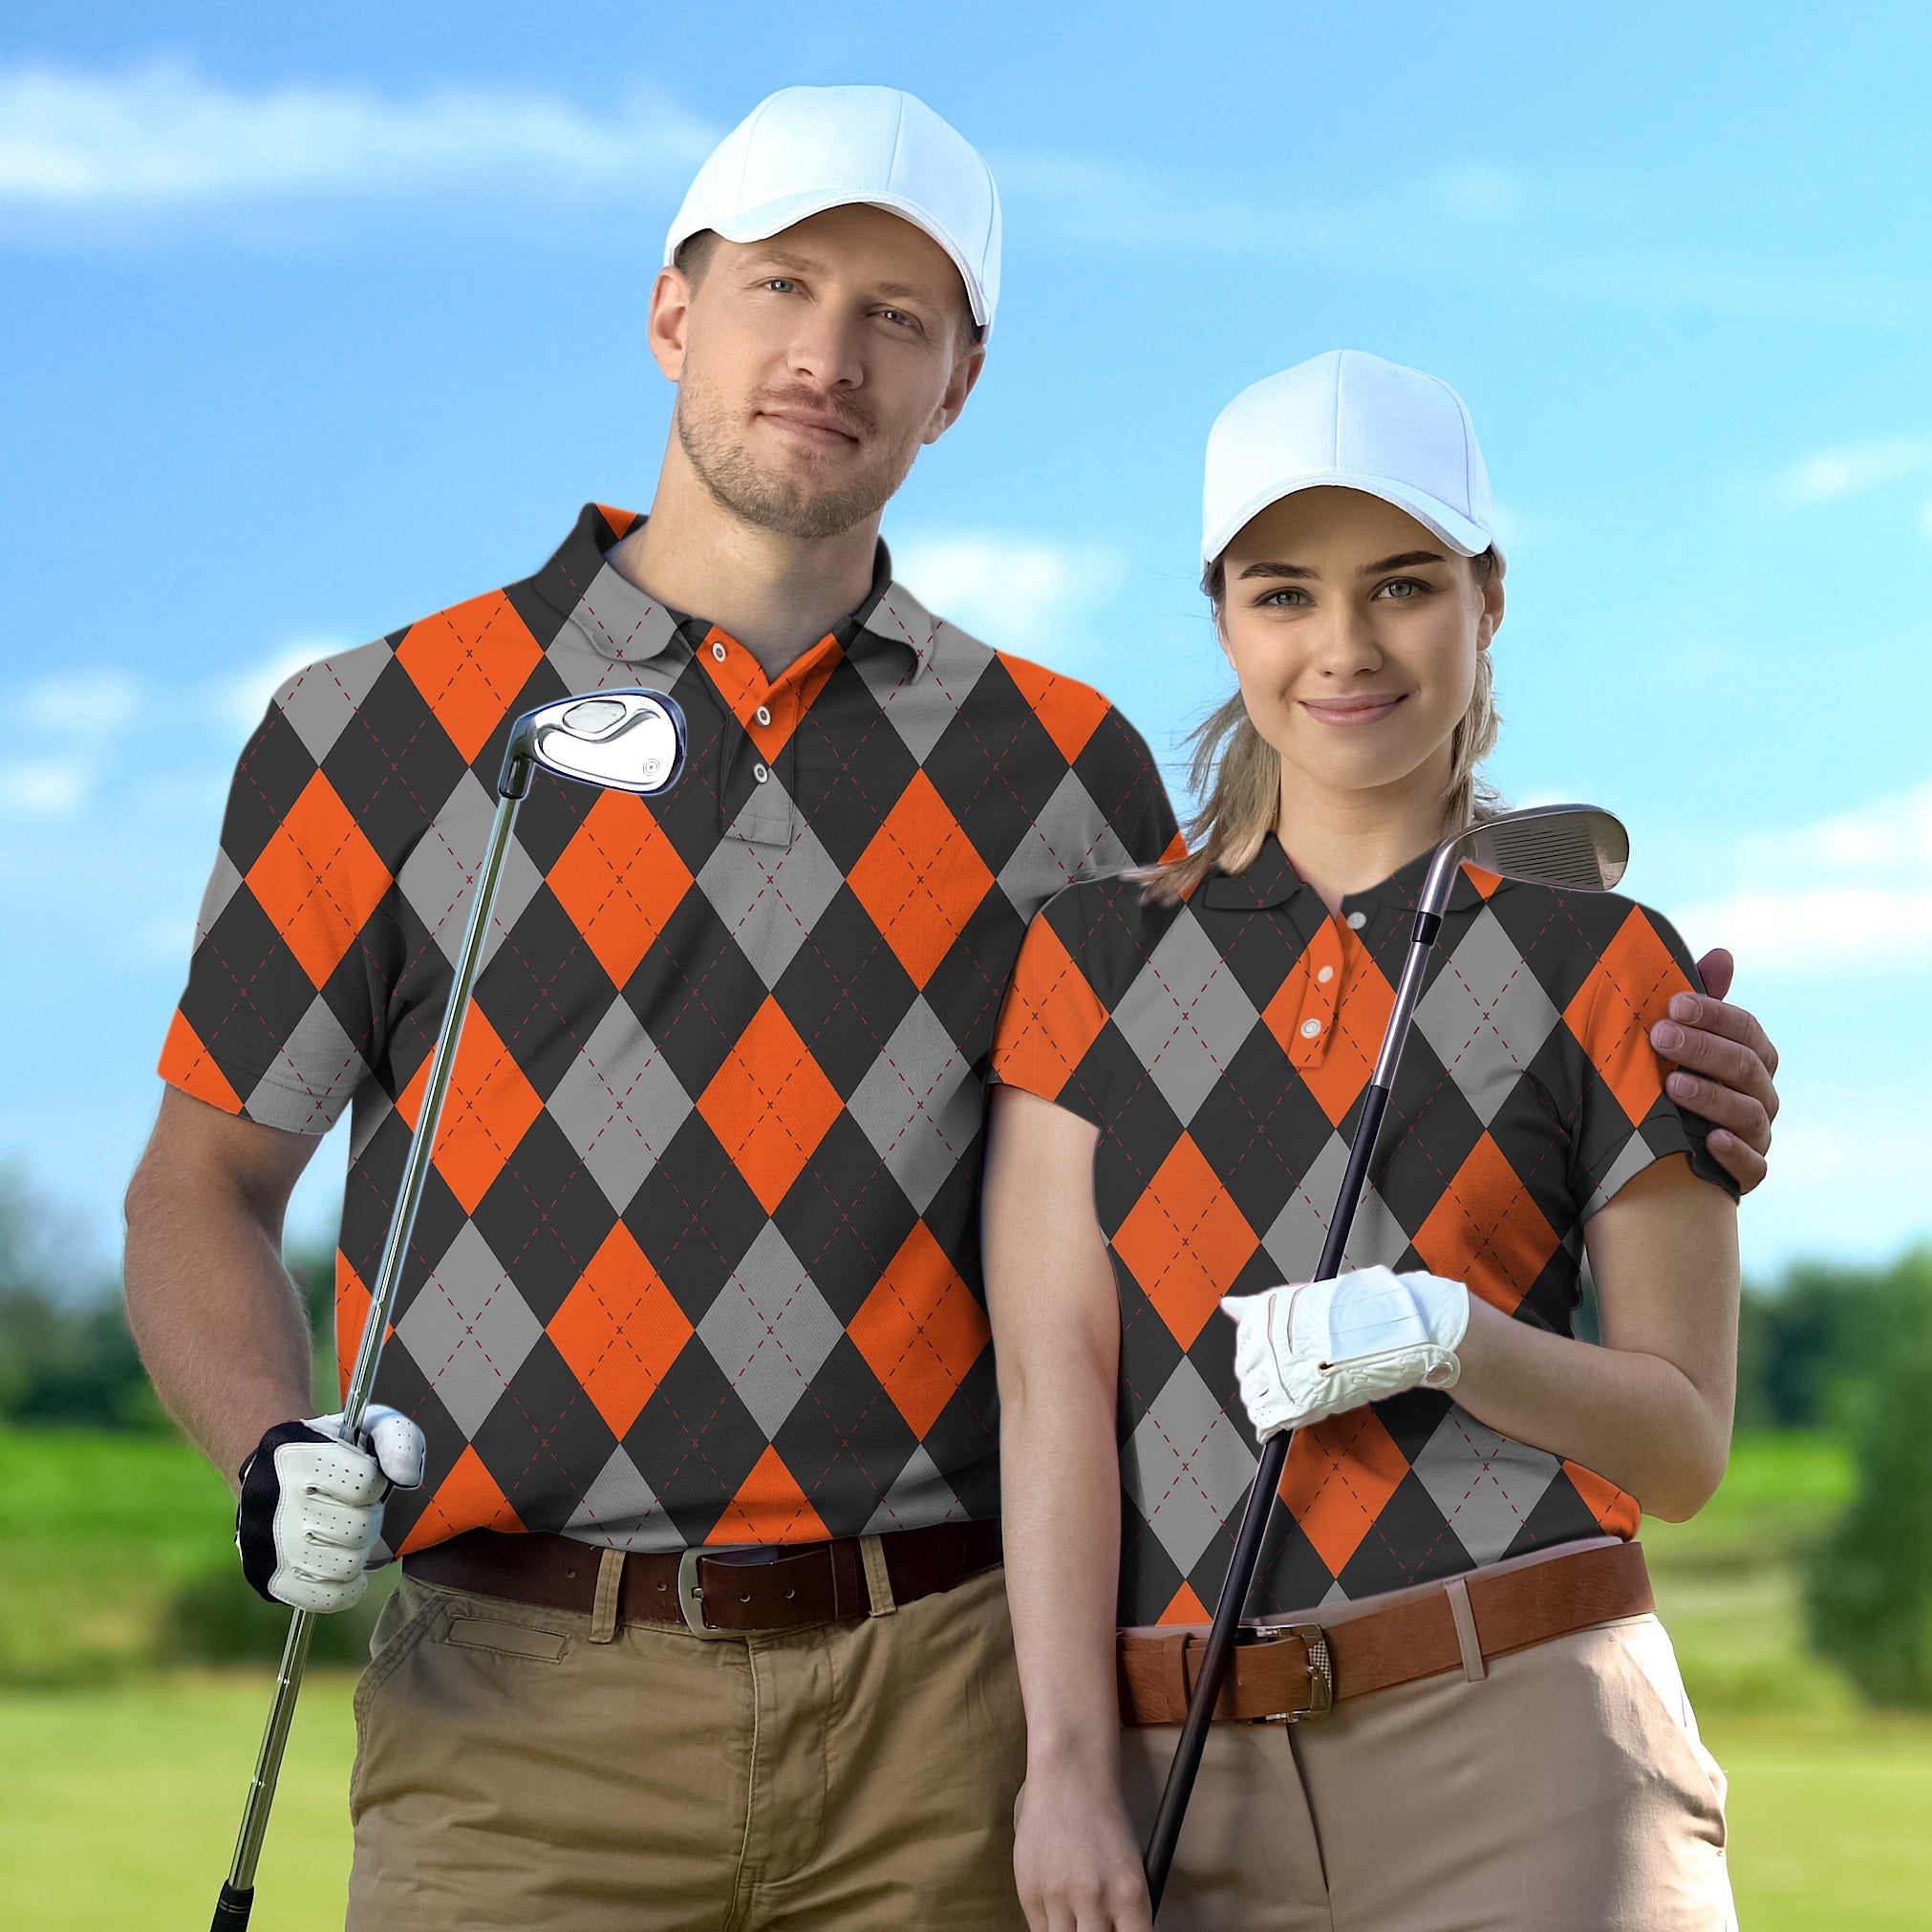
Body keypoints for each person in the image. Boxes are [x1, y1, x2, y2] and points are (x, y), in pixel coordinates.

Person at [119, 83, 1778, 1929]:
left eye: (894, 317)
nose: (827, 355)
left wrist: (1631, 1030)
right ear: (673, 310)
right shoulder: (381, 729)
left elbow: (1306, 998)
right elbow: (201, 1186)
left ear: (959, 380)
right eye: (780, 287)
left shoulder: (1057, 764)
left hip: (947, 1704)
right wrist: (271, 1449)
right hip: (515, 1711)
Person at [985, 351, 1750, 1930]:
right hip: (1184, 1770)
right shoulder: (1087, 965)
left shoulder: (1605, 961)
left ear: (1485, 599)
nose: (1342, 647)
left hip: (1531, 1738)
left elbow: (1677, 1448)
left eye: (1400, 585)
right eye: (1283, 594)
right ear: (1220, 617)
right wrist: (1063, 1762)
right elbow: (1050, 1382)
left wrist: (1440, 1334)